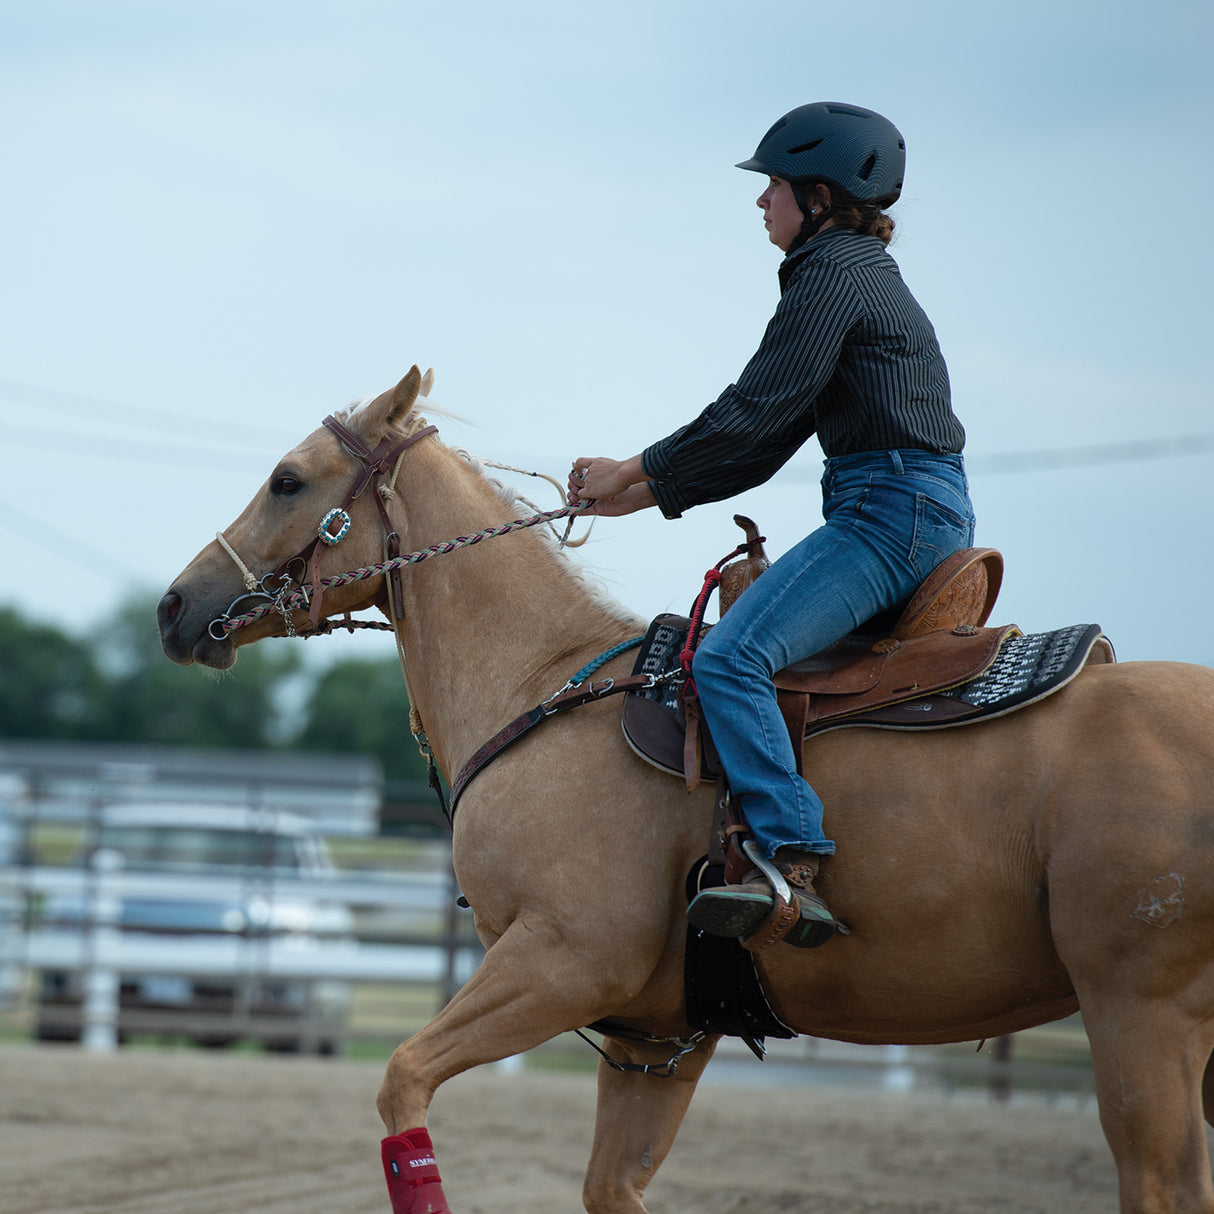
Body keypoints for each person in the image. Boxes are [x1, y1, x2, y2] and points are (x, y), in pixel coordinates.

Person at [567, 102, 975, 949]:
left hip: (888, 510)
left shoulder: (832, 273)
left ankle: (788, 859)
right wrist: (637, 496)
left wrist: (631, 467)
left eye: (774, 187)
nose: (762, 203)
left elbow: (752, 413)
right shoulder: (855, 272)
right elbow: (770, 437)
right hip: (909, 502)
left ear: (817, 197)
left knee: (731, 657)